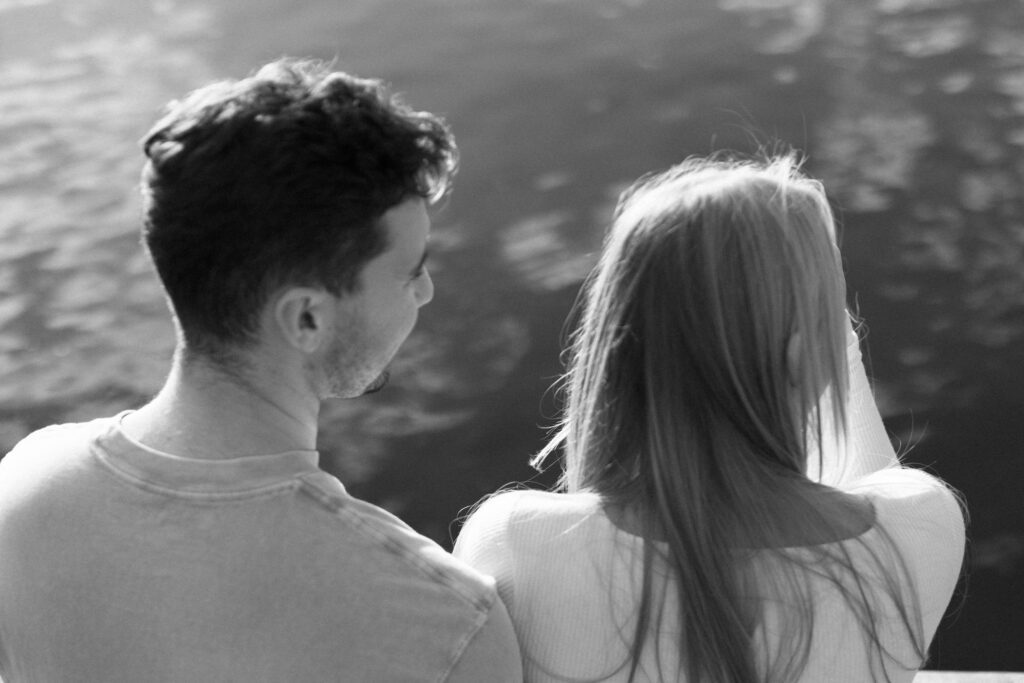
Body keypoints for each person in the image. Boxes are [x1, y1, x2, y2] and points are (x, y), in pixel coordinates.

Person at [0, 58, 521, 682]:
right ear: (306, 319)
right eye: (411, 270)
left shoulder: (28, 489)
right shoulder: (446, 626)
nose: (427, 291)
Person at [454, 153, 966, 683]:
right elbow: (867, 479)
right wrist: (830, 345)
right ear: (807, 355)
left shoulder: (518, 543)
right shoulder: (919, 532)